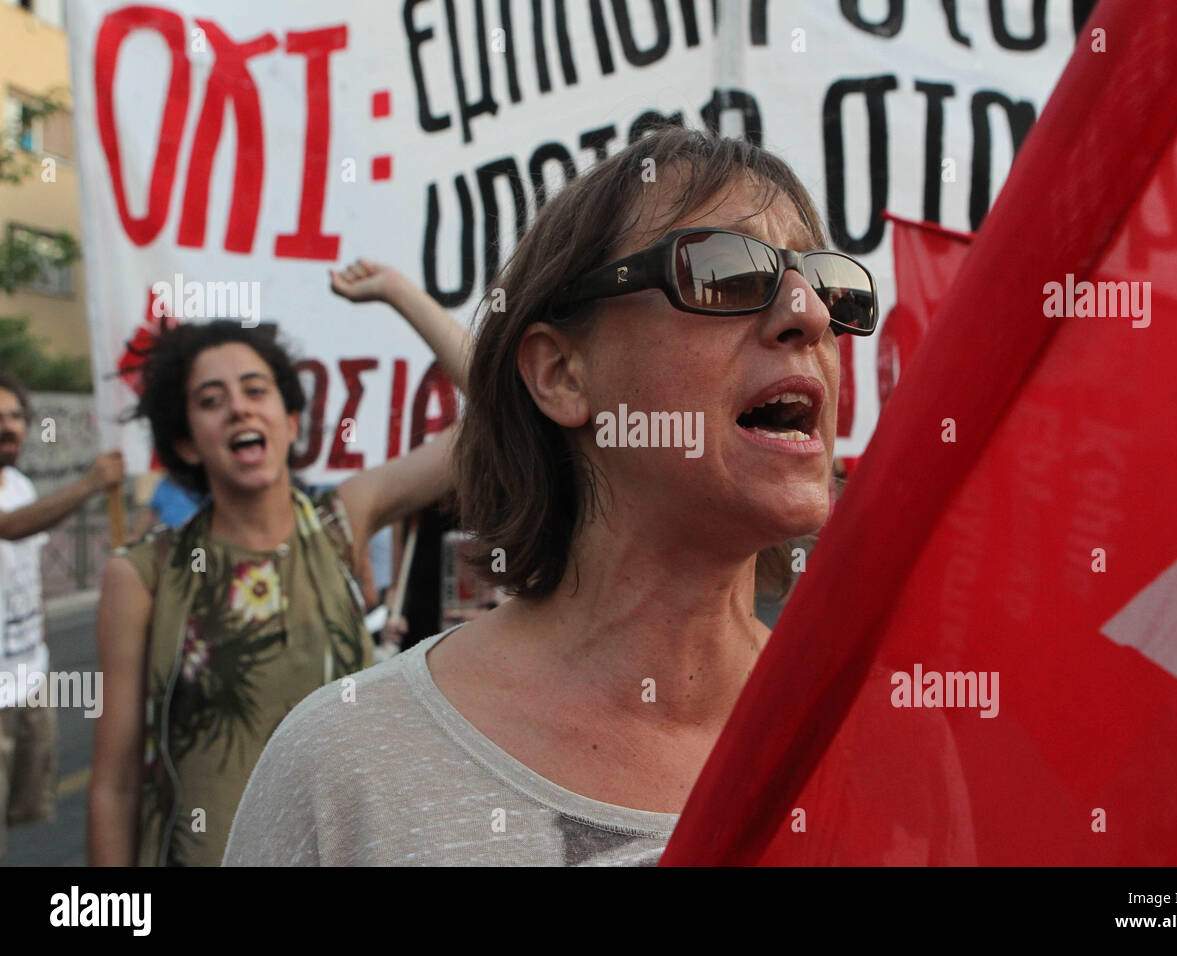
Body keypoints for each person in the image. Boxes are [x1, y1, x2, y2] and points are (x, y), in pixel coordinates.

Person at [224, 126, 879, 866]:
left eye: (831, 288)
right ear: (563, 375)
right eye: (723, 272)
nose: (814, 316)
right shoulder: (346, 768)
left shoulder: (887, 740)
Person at [89, 264, 471, 866]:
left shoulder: (341, 521)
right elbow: (114, 787)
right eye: (211, 401)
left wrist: (398, 292)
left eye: (256, 390)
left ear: (290, 421)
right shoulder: (142, 577)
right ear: (187, 441)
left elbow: (501, 411)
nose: (239, 409)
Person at [0, 372, 123, 859]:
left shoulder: (22, 485)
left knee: (20, 811)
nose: (8, 426)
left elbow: (25, 570)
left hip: (28, 680)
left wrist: (40, 649)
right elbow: (8, 529)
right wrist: (90, 484)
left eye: (14, 416)